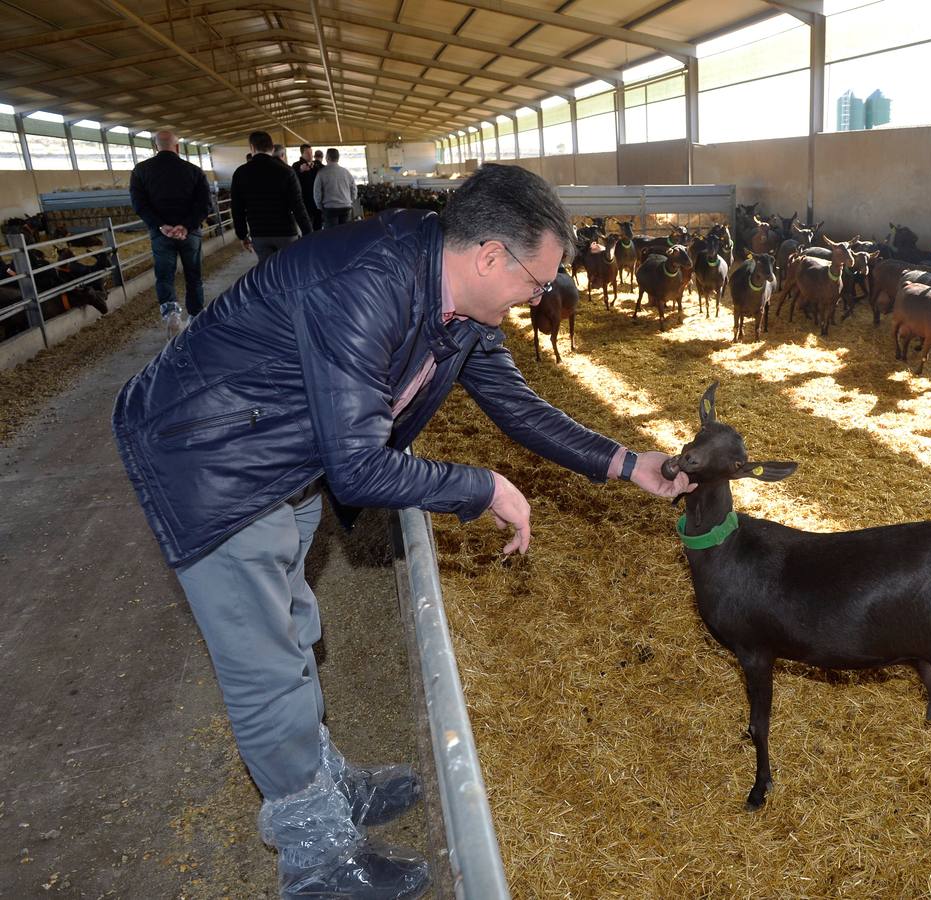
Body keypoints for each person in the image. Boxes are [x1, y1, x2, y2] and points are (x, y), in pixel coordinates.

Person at [111, 164, 692, 899]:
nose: (539, 298)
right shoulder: (369, 283)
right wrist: (479, 486)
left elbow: (515, 405)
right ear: (489, 256)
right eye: (536, 283)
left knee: (294, 624)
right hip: (211, 461)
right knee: (262, 664)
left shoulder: (456, 300)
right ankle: (316, 859)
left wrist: (625, 462)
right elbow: (358, 469)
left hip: (285, 450)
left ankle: (324, 784)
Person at [128, 129, 209, 333]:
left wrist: (161, 225)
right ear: (177, 146)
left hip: (161, 234)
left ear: (155, 146)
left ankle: (171, 312)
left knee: (164, 275)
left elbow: (139, 204)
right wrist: (186, 226)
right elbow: (204, 204)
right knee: (193, 276)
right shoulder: (194, 170)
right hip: (189, 234)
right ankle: (196, 316)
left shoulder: (141, 171)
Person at [230, 131, 312, 264]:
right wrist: (308, 233)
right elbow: (298, 205)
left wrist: (242, 235)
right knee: (288, 270)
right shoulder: (286, 171)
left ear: (252, 148)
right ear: (272, 148)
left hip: (259, 232)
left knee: (268, 273)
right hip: (285, 232)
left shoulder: (241, 173)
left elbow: (237, 207)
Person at [313, 147, 356, 228]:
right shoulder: (346, 172)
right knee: (345, 233)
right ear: (338, 158)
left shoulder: (321, 173)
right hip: (346, 207)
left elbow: (317, 192)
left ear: (327, 158)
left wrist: (320, 206)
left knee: (331, 235)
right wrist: (350, 201)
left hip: (330, 209)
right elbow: (354, 190)